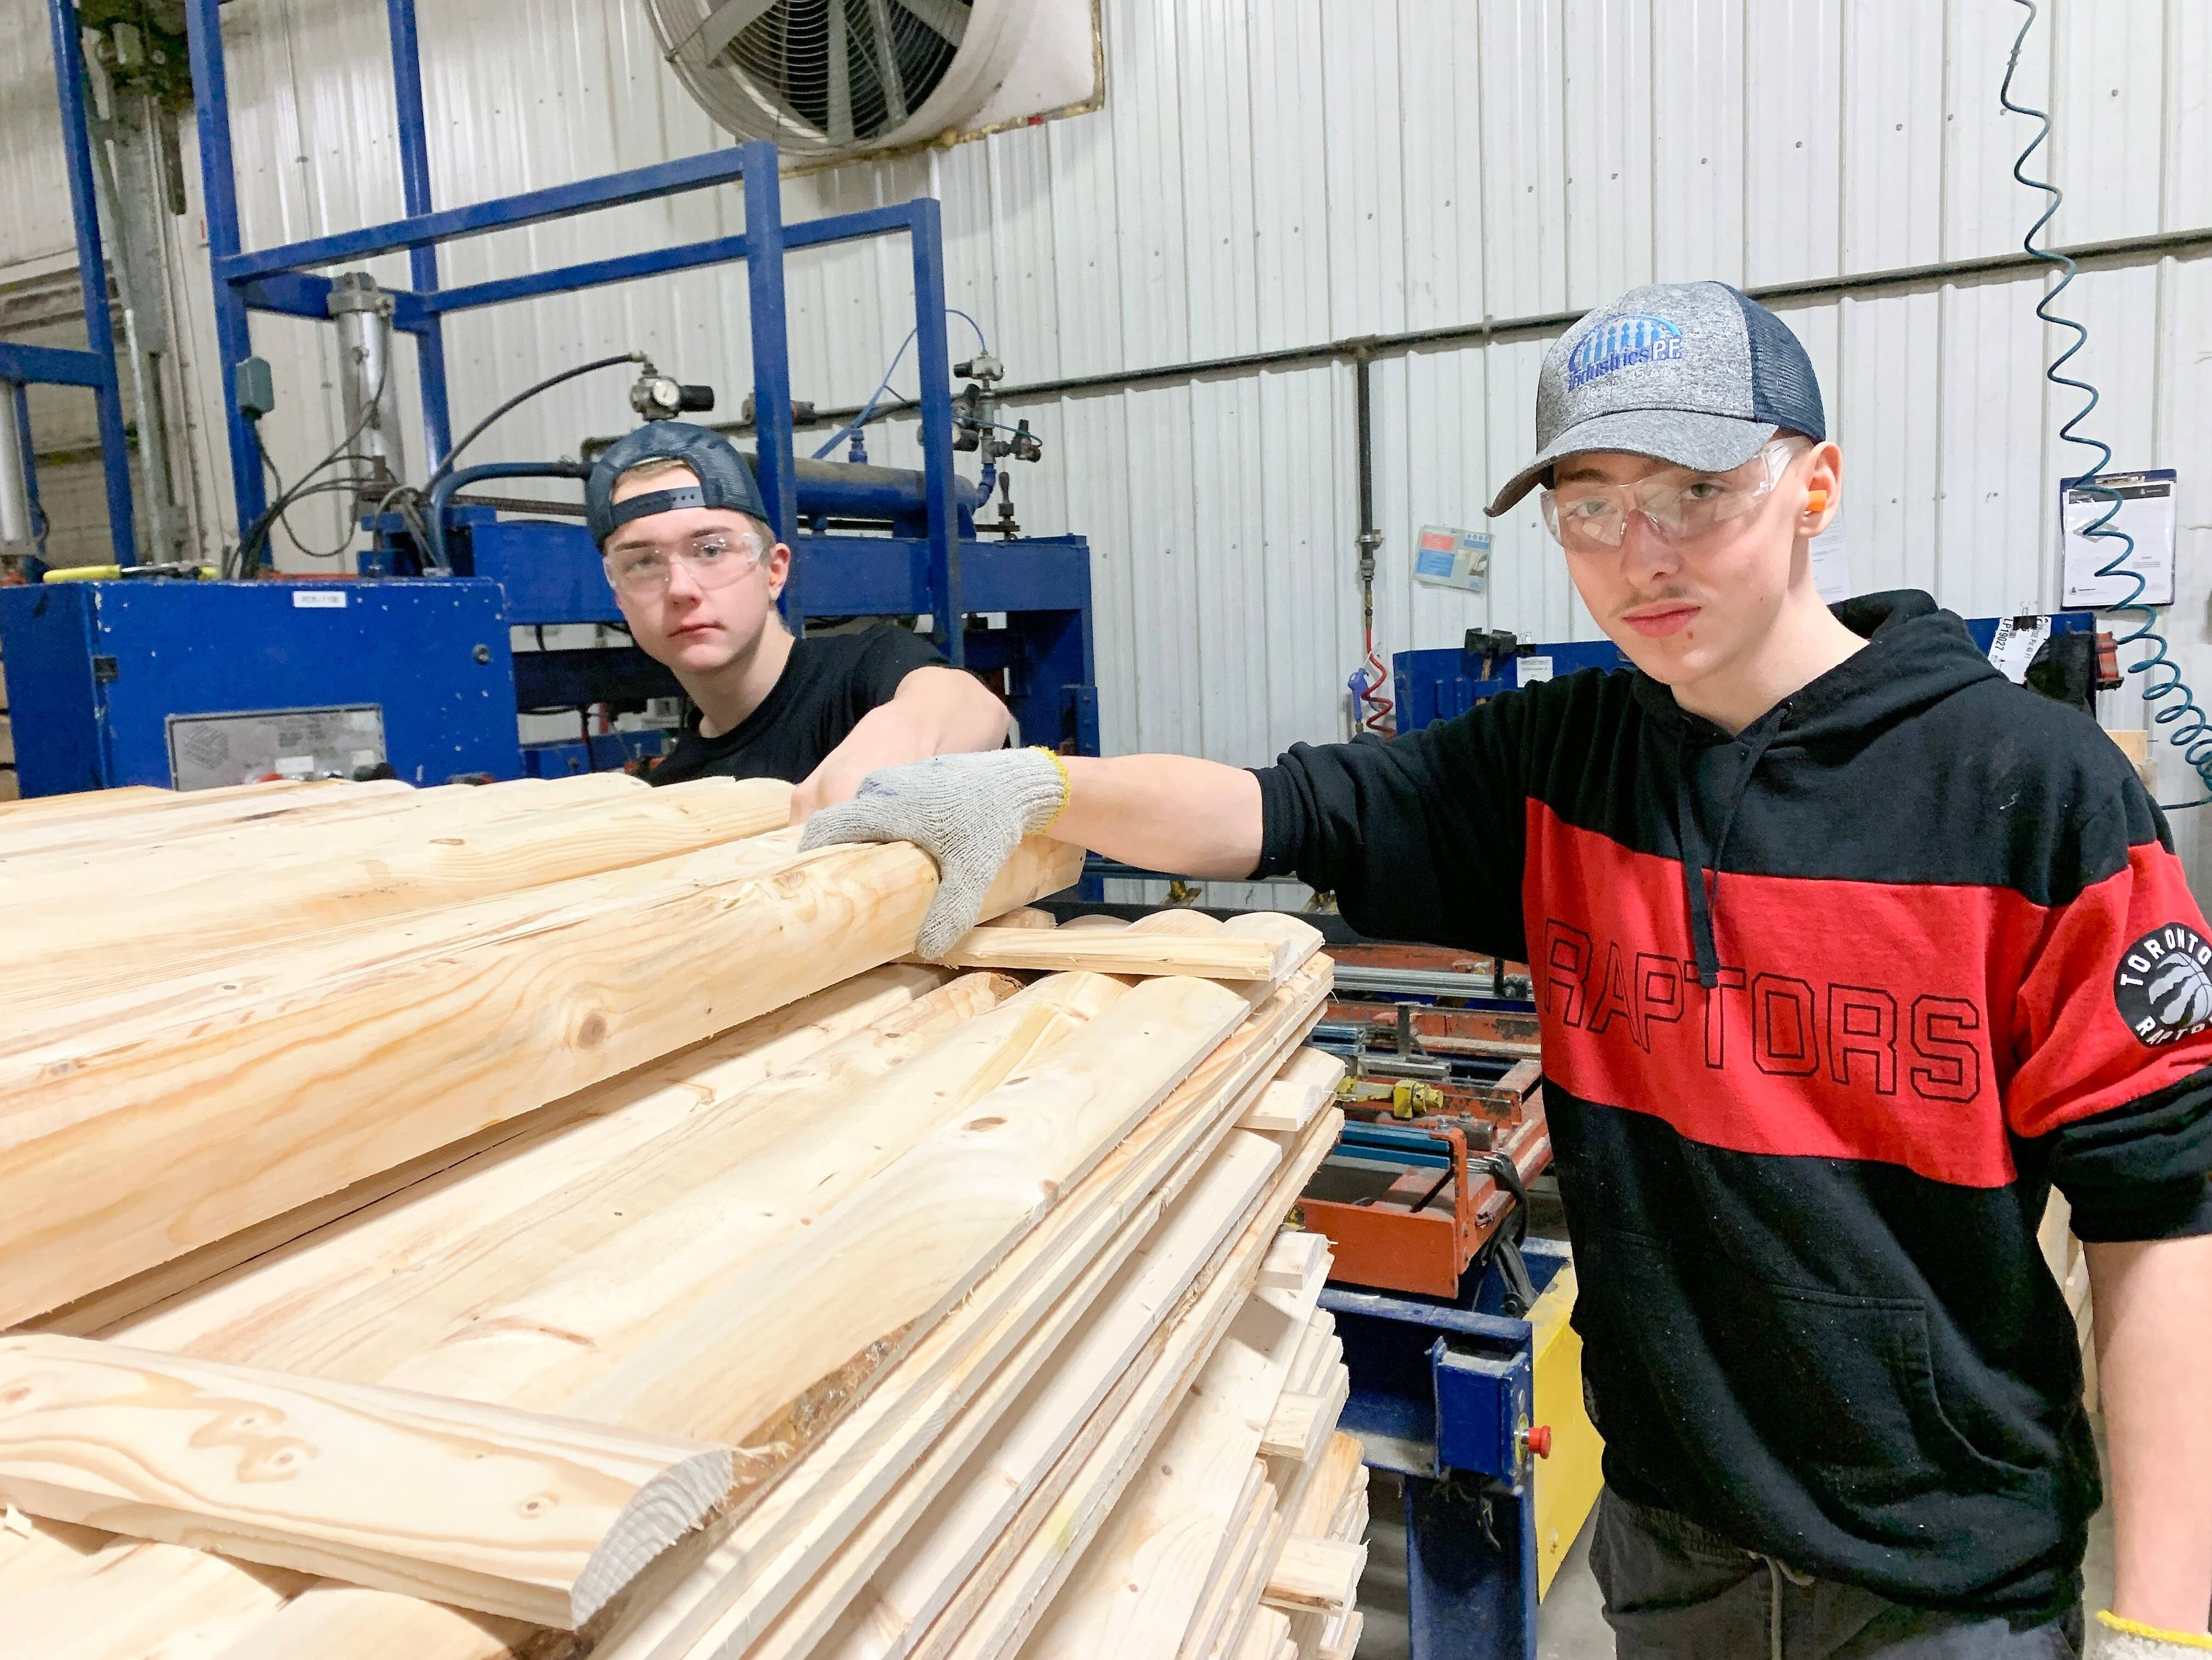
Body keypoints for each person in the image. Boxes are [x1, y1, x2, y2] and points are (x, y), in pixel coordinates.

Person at [801, 283, 2212, 1658]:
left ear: (1813, 486)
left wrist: (2160, 1616)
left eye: (1693, 492)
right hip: (1670, 1548)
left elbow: (2159, 1218)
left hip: (1943, 1581)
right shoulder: (1562, 760)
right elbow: (1284, 806)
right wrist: (1033, 789)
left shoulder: (2028, 790)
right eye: (1588, 506)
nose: (1638, 553)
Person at [584, 421, 1011, 816]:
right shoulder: (674, 795)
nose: (680, 588)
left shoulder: (863, 675)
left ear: (774, 570)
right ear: (618, 597)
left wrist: (904, 730)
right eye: (642, 563)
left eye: (711, 550)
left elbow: (972, 708)